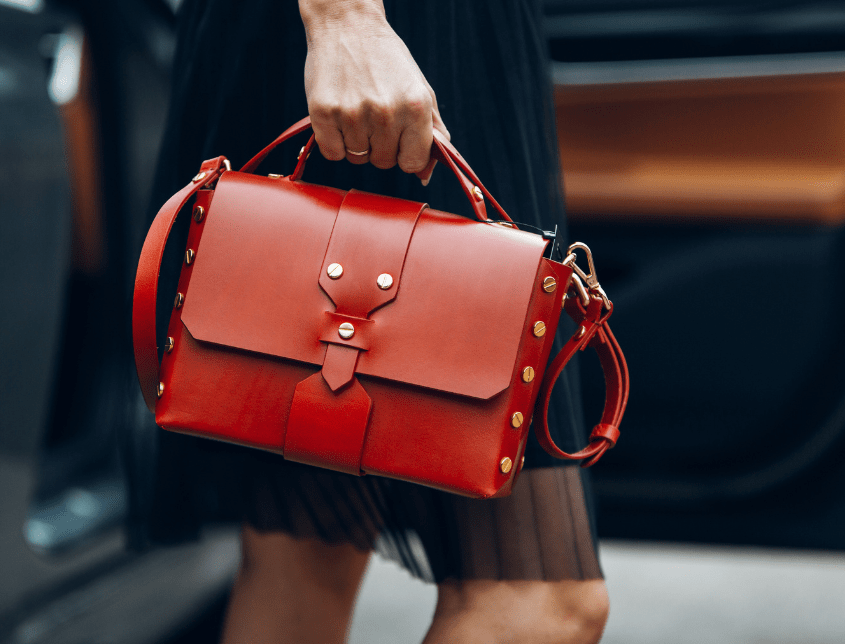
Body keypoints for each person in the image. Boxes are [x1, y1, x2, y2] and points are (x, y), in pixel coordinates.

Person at [144, 0, 610, 642]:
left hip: (405, 37)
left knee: (306, 557)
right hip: (396, 36)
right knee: (540, 604)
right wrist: (344, 21)